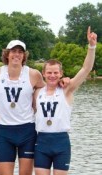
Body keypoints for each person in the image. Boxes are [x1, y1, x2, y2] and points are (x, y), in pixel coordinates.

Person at [33, 27, 97, 175]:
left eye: (56, 72)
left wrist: (91, 46)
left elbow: (86, 69)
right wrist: (1, 115)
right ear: (43, 74)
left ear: (61, 73)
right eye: (49, 72)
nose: (52, 75)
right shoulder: (37, 92)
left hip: (61, 142)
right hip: (41, 141)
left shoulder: (67, 89)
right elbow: (21, 108)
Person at [0, 39, 46, 175]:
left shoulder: (33, 74)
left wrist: (63, 81)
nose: (17, 55)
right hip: (4, 132)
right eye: (13, 51)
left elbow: (47, 90)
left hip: (27, 130)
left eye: (20, 52)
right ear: (7, 54)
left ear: (24, 56)